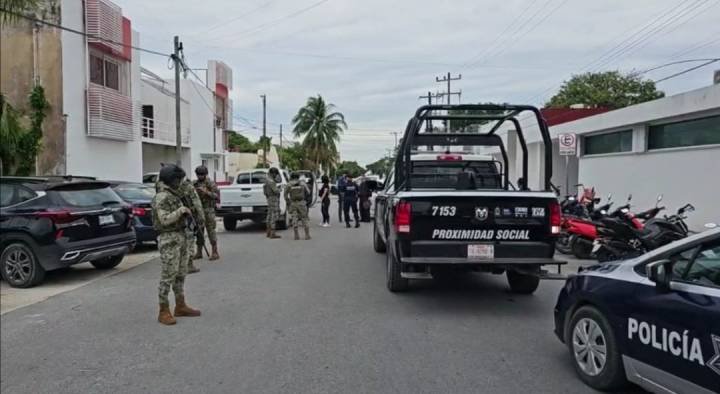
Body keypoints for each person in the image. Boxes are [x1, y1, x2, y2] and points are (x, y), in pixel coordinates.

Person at [152, 164, 201, 326]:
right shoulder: (162, 197)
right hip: (168, 238)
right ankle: (163, 310)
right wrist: (181, 211)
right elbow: (164, 219)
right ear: (172, 180)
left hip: (180, 236)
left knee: (180, 273)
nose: (180, 182)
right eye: (178, 179)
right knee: (168, 276)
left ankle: (180, 305)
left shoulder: (174, 194)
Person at [193, 165, 220, 261]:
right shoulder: (195, 183)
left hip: (208, 210)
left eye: (202, 174)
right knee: (199, 232)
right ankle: (199, 252)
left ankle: (215, 252)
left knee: (211, 230)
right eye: (198, 174)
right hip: (198, 211)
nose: (200, 176)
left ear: (205, 174)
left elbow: (216, 196)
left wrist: (206, 192)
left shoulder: (210, 183)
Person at [178, 176, 204, 274]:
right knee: (189, 239)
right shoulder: (187, 186)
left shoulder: (166, 187)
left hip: (173, 218)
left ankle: (179, 264)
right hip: (187, 217)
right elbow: (197, 203)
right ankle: (189, 265)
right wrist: (201, 217)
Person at [285, 172, 311, 240]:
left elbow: (285, 195)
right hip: (302, 203)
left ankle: (296, 235)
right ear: (298, 177)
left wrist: (288, 202)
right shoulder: (302, 183)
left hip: (293, 203)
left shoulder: (289, 184)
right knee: (304, 218)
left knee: (294, 218)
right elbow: (308, 192)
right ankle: (307, 235)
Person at [263, 167, 282, 239]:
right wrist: (280, 188)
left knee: (269, 214)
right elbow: (276, 191)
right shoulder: (271, 181)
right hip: (273, 198)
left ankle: (268, 231)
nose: (276, 175)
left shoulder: (266, 180)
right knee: (274, 215)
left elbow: (264, 190)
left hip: (269, 198)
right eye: (275, 174)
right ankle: (273, 233)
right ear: (273, 173)